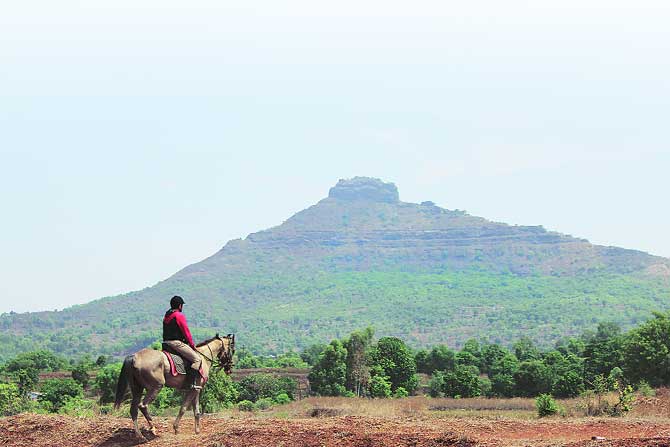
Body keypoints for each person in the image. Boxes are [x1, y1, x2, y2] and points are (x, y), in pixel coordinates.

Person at [162, 295, 203, 389]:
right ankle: (191, 383)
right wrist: (192, 345)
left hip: (166, 343)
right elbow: (186, 332)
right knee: (197, 360)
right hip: (176, 343)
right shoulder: (178, 315)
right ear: (180, 306)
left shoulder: (167, 316)